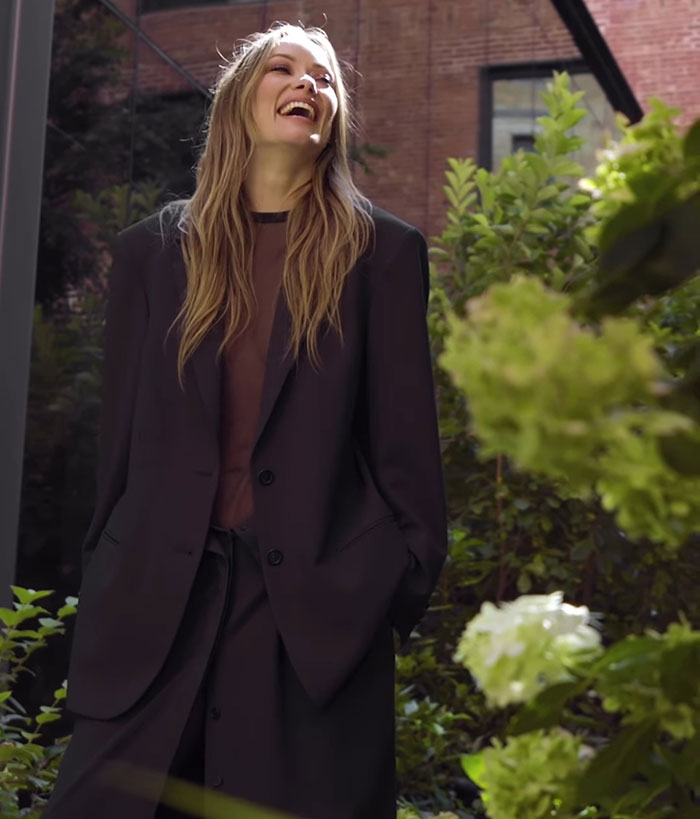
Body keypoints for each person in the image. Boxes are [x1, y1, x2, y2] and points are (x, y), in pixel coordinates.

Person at [44, 21, 447, 819]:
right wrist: (111, 567)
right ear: (239, 99)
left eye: (324, 78)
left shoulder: (382, 255)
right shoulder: (153, 254)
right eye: (284, 69)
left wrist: (381, 592)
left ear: (331, 119)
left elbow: (407, 455)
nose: (307, 85)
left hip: (308, 621)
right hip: (159, 603)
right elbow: (121, 452)